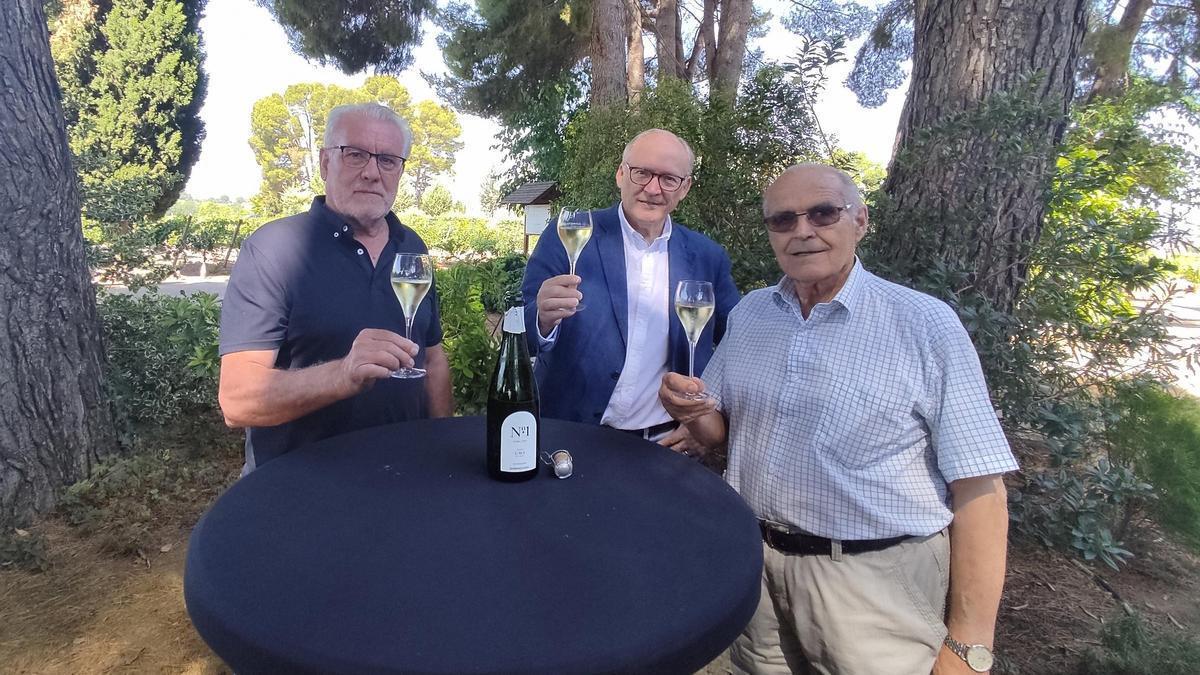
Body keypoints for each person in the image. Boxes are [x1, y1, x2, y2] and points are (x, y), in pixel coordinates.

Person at [660, 164, 1018, 674]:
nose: (803, 230)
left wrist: (968, 646)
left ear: (861, 220)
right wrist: (691, 415)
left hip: (872, 587)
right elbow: (721, 431)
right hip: (756, 575)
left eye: (823, 213)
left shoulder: (925, 324)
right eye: (783, 220)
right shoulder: (752, 314)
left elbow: (980, 488)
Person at [218, 103, 454, 473]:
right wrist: (343, 375)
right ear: (326, 162)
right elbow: (237, 399)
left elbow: (434, 359)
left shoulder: (412, 248)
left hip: (406, 478)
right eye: (356, 155)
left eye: (388, 160)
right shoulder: (273, 249)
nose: (373, 173)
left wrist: (442, 449)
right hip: (302, 493)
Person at [521, 129, 739, 448]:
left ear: (685, 188)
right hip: (568, 437)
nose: (652, 189)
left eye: (668, 179)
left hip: (662, 446)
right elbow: (521, 334)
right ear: (621, 174)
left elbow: (737, 344)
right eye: (642, 173)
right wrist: (541, 319)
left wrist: (703, 421)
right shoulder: (569, 235)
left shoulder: (707, 257)